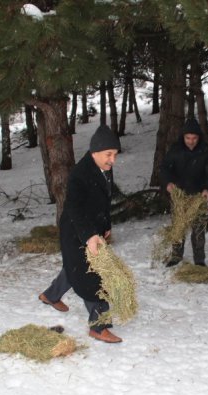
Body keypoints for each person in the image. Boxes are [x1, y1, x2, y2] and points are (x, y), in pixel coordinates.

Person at [51, 124, 121, 343]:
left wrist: (105, 224)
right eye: (108, 154)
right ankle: (99, 327)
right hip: (76, 230)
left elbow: (103, 201)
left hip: (93, 229)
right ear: (94, 152)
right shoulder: (79, 175)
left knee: (74, 268)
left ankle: (50, 295)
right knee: (93, 277)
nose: (113, 160)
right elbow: (74, 208)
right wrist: (90, 235)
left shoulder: (104, 168)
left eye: (115, 154)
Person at [160, 118, 208, 267]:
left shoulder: (205, 150)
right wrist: (168, 183)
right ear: (183, 137)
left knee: (199, 229)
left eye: (194, 138)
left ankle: (199, 260)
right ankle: (176, 256)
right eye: (188, 138)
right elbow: (165, 169)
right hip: (179, 195)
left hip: (198, 196)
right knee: (178, 227)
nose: (191, 141)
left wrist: (207, 188)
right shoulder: (175, 149)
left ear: (199, 137)